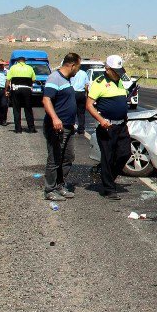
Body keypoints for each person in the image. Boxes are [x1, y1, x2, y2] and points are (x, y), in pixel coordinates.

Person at [86, 55, 132, 197]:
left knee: (125, 153)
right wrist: (101, 120)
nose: (118, 73)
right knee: (108, 157)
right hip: (107, 126)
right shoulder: (99, 83)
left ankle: (108, 178)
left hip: (121, 125)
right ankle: (109, 189)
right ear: (107, 69)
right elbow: (89, 105)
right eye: (115, 70)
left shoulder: (120, 81)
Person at [42, 52, 81, 202]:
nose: (78, 70)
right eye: (77, 66)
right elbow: (46, 100)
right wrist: (55, 118)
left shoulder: (66, 79)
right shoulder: (54, 78)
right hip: (57, 126)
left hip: (68, 126)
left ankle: (60, 185)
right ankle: (49, 189)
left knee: (68, 157)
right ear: (71, 65)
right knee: (54, 158)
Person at [5, 56, 37, 133]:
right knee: (28, 109)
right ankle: (31, 128)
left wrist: (6, 90)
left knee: (16, 109)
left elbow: (8, 80)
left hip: (16, 89)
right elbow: (33, 80)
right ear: (24, 61)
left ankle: (18, 129)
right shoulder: (29, 68)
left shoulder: (13, 68)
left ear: (18, 61)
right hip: (27, 89)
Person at [70, 63, 89, 134]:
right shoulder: (84, 73)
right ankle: (81, 128)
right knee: (81, 112)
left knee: (72, 111)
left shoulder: (72, 73)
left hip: (73, 92)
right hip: (81, 93)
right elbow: (86, 85)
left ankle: (71, 127)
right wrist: (86, 94)